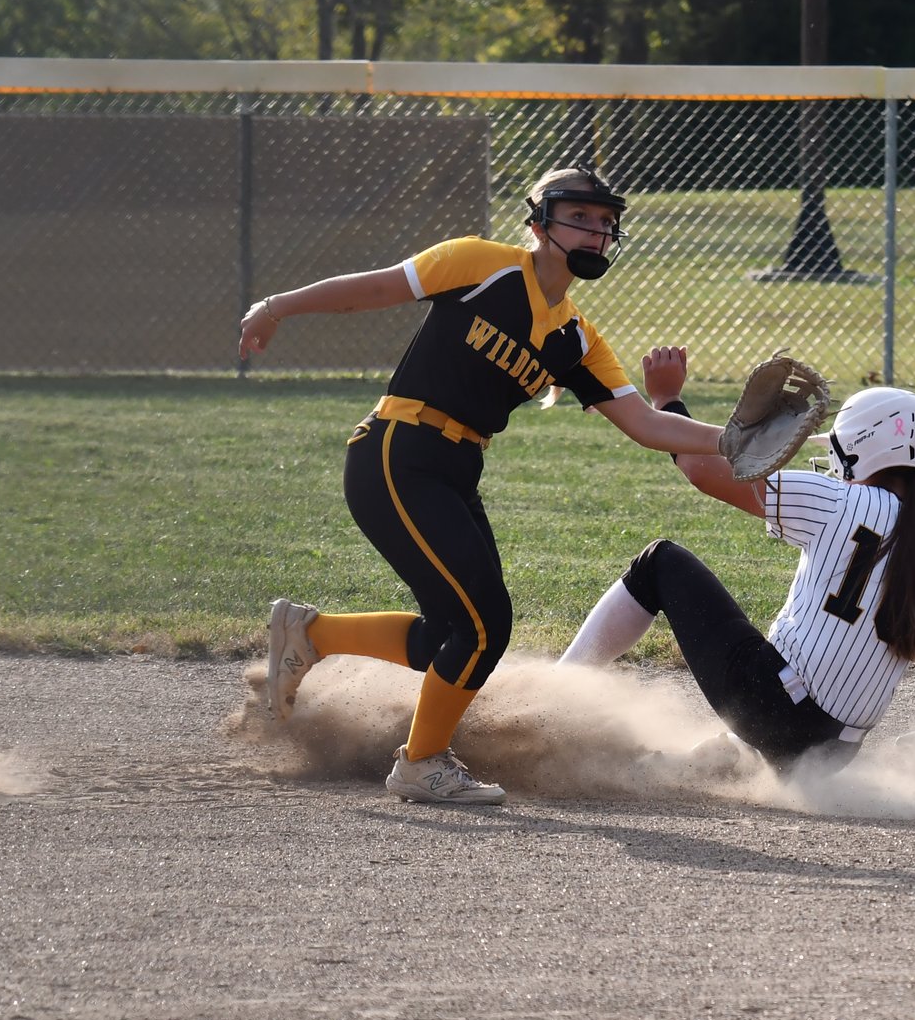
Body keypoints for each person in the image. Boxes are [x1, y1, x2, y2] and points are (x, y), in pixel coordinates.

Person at [239, 167, 729, 805]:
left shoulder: (576, 338)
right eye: (579, 216)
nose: (595, 231)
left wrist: (735, 440)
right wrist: (277, 306)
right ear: (538, 222)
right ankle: (420, 764)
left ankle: (313, 635)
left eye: (606, 224)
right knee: (484, 625)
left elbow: (644, 424)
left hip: (456, 467)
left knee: (451, 632)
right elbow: (374, 289)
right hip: (398, 451)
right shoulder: (481, 263)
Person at [560, 346, 915, 775]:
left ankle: (554, 697)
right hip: (834, 752)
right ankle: (730, 756)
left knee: (660, 563)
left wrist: (668, 401)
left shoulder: (837, 501)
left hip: (775, 711)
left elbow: (702, 471)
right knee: (792, 646)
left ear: (861, 449)